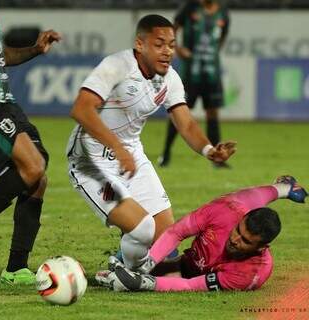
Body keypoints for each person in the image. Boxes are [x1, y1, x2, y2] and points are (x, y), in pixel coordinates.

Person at [67, 14, 236, 271]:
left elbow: (186, 124)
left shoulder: (170, 79)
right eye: (159, 44)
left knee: (166, 240)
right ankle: (130, 277)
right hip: (92, 162)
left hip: (131, 155)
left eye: (171, 44)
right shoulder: (116, 66)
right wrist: (117, 147)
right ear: (140, 44)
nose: (167, 51)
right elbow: (81, 109)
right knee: (143, 229)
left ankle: (124, 264)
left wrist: (209, 150)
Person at [95, 175, 308, 292]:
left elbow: (191, 284)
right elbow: (176, 232)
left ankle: (133, 269)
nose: (235, 240)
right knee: (266, 193)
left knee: (158, 276)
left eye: (245, 241)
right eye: (238, 231)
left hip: (194, 272)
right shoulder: (225, 209)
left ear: (261, 248)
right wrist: (148, 263)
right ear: (241, 220)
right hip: (239, 207)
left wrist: (146, 283)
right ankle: (285, 187)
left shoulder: (251, 273)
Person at [0, 9, 61, 284]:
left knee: (37, 178)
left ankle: (15, 268)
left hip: (5, 104)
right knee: (32, 166)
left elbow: (0, 57)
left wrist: (35, 50)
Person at [158, 0, 230, 168]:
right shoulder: (190, 7)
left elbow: (223, 35)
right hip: (191, 72)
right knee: (180, 111)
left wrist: (213, 53)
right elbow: (172, 29)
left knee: (212, 112)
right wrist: (178, 48)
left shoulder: (223, 11)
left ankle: (218, 159)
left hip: (211, 72)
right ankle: (166, 153)